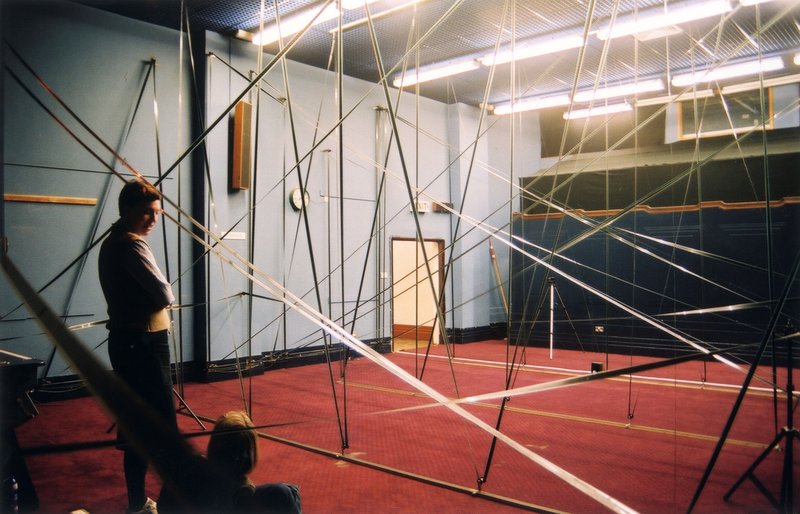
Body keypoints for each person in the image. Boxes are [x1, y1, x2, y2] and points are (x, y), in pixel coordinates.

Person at [98, 178, 177, 514]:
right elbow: (164, 295)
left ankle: (137, 502)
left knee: (137, 426)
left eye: (156, 213)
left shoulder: (114, 239)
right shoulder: (130, 244)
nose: (153, 220)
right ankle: (173, 500)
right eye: (147, 212)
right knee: (159, 428)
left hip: (130, 343)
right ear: (127, 210)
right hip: (144, 345)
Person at [158, 410, 301, 513]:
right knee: (286, 493)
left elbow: (162, 506)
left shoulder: (188, 464)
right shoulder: (242, 489)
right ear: (248, 453)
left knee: (283, 491)